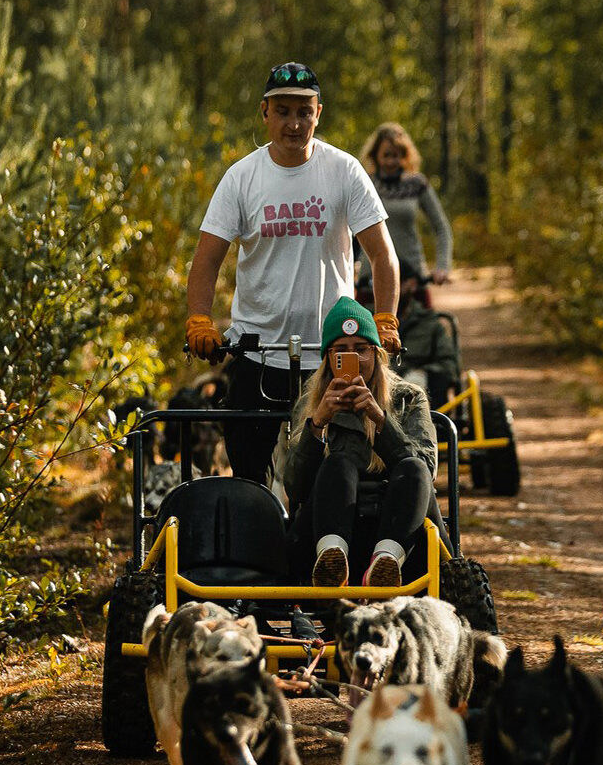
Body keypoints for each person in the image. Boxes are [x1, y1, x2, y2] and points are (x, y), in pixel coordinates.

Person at [185, 62, 403, 485]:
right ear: (265, 113)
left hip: (332, 356)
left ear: (318, 113)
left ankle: (326, 547)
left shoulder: (344, 171)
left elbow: (382, 255)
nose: (294, 123)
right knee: (248, 475)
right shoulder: (242, 178)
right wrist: (199, 319)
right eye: (283, 111)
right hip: (256, 351)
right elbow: (207, 259)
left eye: (304, 111)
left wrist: (385, 319)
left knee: (331, 473)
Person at [275, 296, 438, 588]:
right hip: (328, 528)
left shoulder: (408, 398)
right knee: (339, 462)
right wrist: (317, 425)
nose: (354, 359)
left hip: (398, 529)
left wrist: (379, 419)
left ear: (376, 353)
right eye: (342, 351)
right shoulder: (311, 404)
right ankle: (331, 560)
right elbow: (295, 487)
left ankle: (385, 564)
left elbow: (425, 470)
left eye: (361, 349)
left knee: (413, 468)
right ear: (329, 358)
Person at [359, 122, 453, 289]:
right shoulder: (364, 183)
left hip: (414, 279)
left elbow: (441, 227)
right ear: (375, 155)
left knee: (429, 316)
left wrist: (443, 267)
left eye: (396, 155)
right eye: (386, 155)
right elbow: (350, 230)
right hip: (371, 279)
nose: (391, 161)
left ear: (404, 155)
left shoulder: (417, 183)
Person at [396, 260, 460, 408]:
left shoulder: (431, 324)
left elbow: (449, 365)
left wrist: (423, 374)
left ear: (411, 284)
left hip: (425, 404)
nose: (388, 288)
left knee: (418, 383)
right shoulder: (367, 323)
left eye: (395, 282)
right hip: (378, 397)